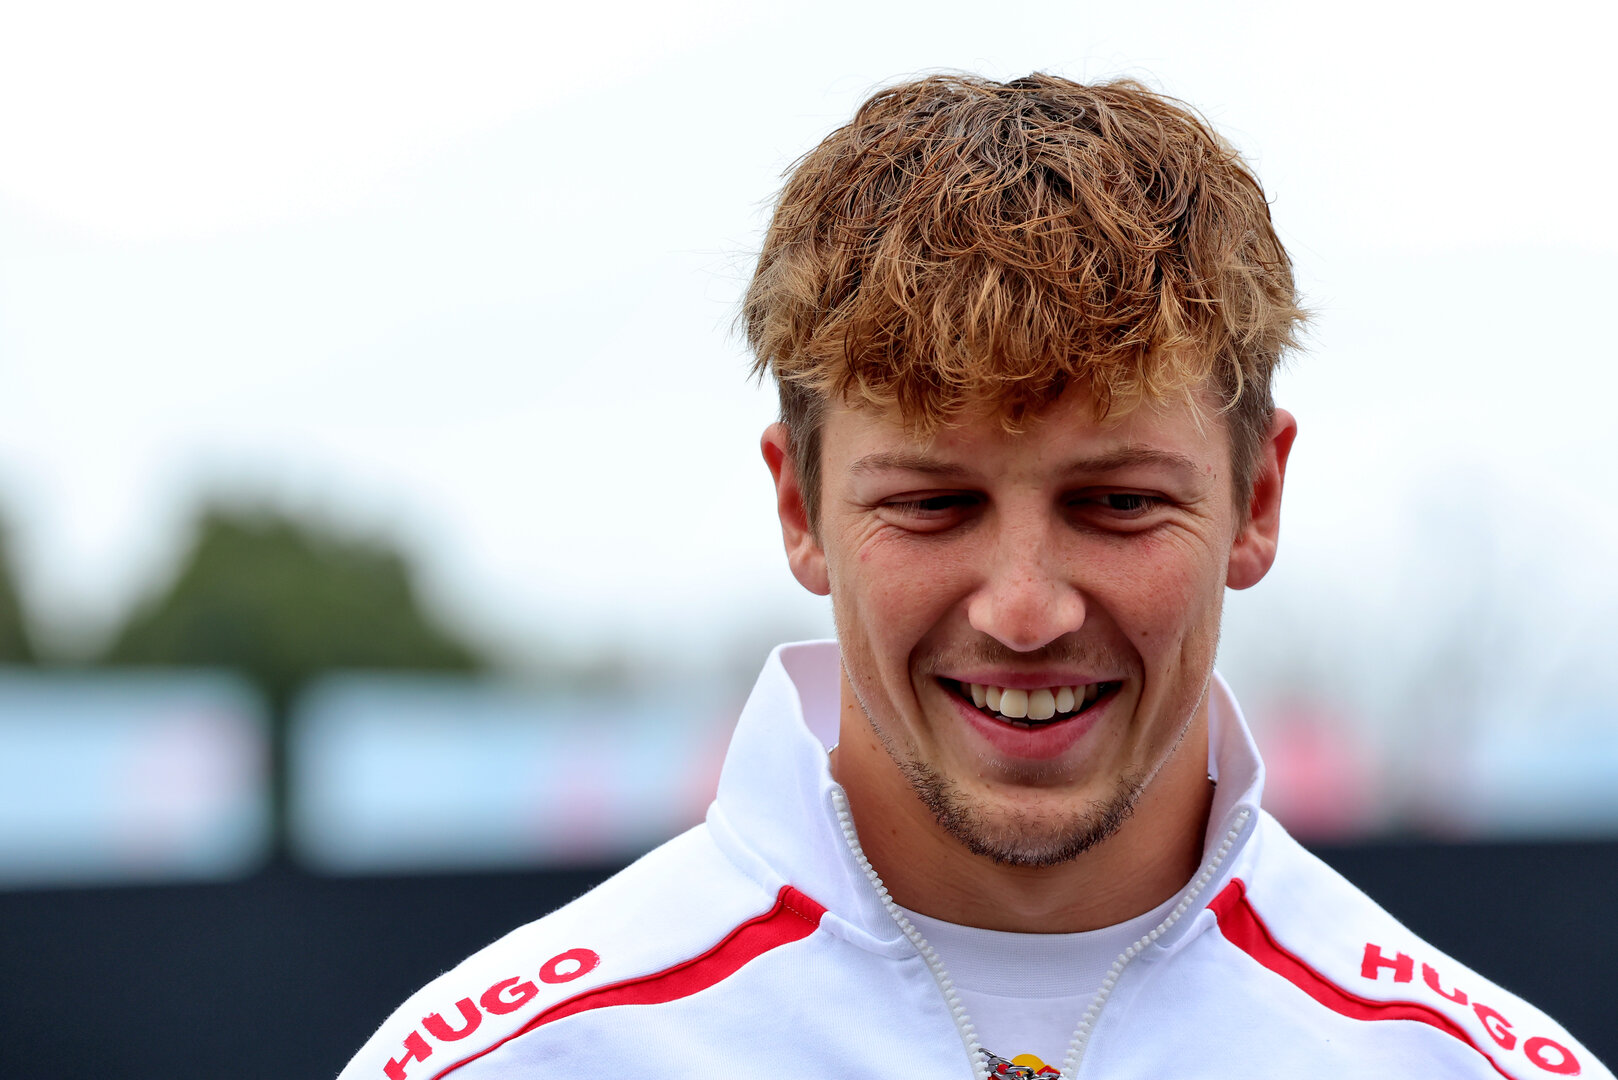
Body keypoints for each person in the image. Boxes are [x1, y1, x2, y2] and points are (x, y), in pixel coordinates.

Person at [338, 73, 1608, 1080]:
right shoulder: (527, 1061)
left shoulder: (1458, 1064)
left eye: (1115, 503)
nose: (1023, 608)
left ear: (1255, 499)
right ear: (800, 505)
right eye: (933, 504)